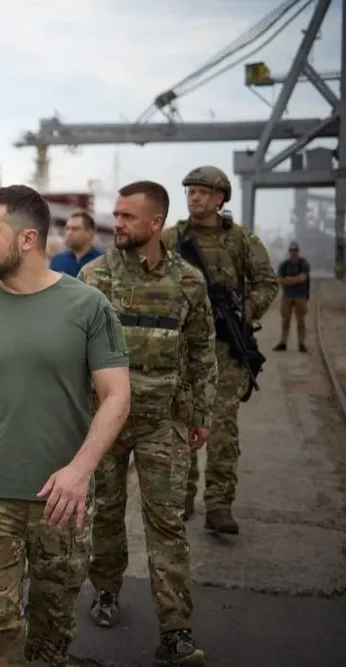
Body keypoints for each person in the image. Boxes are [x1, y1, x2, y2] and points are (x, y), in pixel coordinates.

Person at [0, 184, 131, 666]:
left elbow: (117, 396)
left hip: (62, 501)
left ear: (27, 239)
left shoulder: (88, 306)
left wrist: (80, 471)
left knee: (51, 634)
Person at [80, 180, 216, 666]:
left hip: (164, 425)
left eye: (126, 217)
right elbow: (77, 354)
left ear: (155, 223)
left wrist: (199, 415)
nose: (115, 224)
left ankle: (176, 628)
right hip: (105, 425)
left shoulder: (187, 281)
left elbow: (201, 350)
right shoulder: (95, 278)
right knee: (106, 515)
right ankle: (106, 590)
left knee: (167, 525)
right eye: (114, 216)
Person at [162, 165, 278, 534]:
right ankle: (181, 500)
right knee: (180, 425)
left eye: (203, 191)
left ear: (220, 198)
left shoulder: (241, 240)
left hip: (225, 350)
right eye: (190, 191)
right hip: (181, 349)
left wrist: (244, 311)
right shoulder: (170, 238)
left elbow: (267, 283)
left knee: (222, 429)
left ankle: (219, 506)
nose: (194, 197)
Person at [274, 240, 310, 352]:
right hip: (287, 296)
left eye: (295, 250)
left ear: (298, 251)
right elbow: (279, 279)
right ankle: (283, 342)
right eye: (291, 250)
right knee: (285, 320)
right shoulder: (284, 264)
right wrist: (296, 280)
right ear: (289, 251)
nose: (293, 252)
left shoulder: (303, 263)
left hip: (300, 296)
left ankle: (301, 343)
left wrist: (288, 279)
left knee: (301, 320)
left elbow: (303, 278)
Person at [49, 211, 103, 277]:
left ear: (89, 233)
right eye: (67, 228)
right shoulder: (57, 260)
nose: (69, 233)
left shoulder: (102, 262)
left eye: (75, 229)